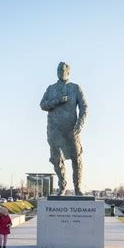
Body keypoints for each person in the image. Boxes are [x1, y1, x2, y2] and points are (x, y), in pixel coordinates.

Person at [40, 62, 88, 196]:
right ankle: (62, 186)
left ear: (68, 72)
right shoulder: (51, 89)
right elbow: (43, 105)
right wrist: (57, 100)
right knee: (56, 159)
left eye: (62, 69)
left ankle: (78, 188)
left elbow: (84, 107)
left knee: (76, 158)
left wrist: (79, 124)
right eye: (58, 69)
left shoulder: (75, 88)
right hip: (55, 129)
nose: (60, 71)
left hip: (71, 129)